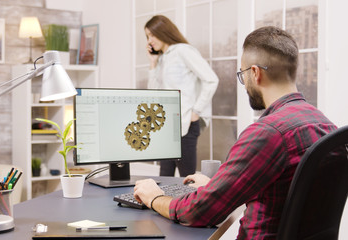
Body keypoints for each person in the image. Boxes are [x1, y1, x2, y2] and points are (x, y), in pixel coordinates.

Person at [134, 26, 337, 239]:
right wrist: (215, 186)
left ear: (255, 73)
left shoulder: (267, 133)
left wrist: (154, 198)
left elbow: (198, 212)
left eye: (242, 74)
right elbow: (283, 186)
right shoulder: (324, 125)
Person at [144, 15, 219, 177]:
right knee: (164, 177)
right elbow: (153, 92)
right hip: (167, 125)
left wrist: (196, 112)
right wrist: (153, 63)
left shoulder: (183, 51)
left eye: (152, 35)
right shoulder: (163, 58)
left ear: (163, 32)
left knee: (187, 178)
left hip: (186, 123)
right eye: (147, 36)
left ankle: (190, 204)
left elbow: (211, 79)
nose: (149, 40)